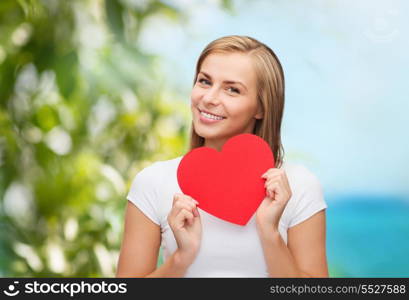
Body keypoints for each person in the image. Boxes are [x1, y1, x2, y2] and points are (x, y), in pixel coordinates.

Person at [116, 35, 328, 277]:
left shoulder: (298, 186)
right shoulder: (153, 182)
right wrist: (181, 259)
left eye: (232, 89)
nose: (208, 99)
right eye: (205, 81)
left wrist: (270, 233)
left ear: (261, 107)